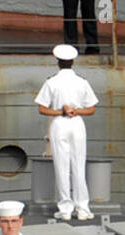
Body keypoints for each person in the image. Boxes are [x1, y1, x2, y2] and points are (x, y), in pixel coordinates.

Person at [35, 44, 98, 221]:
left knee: (62, 166)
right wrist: (76, 111)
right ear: (73, 62)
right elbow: (91, 108)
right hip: (77, 123)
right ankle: (83, 208)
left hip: (59, 123)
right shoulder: (82, 82)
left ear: (58, 62)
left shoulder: (51, 82)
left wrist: (61, 112)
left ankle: (65, 209)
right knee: (79, 165)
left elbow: (42, 108)